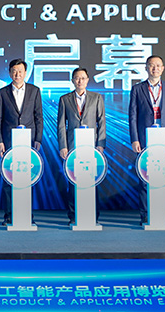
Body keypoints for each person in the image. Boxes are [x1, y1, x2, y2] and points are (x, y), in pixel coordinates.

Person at [128, 55, 165, 225]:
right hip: (144, 139)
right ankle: (145, 214)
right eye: (151, 65)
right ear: (146, 68)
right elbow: (133, 116)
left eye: (158, 65)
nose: (155, 68)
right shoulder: (138, 89)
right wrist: (135, 139)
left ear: (163, 68)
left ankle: (161, 212)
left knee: (163, 176)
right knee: (145, 177)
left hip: (164, 139)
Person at [0, 58, 43, 226]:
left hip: (28, 141)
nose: (17, 74)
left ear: (25, 73)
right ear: (9, 73)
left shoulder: (34, 91)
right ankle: (9, 215)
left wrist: (38, 139)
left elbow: (38, 117)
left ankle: (27, 214)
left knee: (27, 178)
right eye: (14, 71)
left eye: (20, 71)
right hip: (9, 142)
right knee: (9, 179)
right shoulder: (2, 93)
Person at [57, 67, 106, 225]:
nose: (80, 81)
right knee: (73, 181)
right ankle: (73, 216)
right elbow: (61, 125)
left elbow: (101, 121)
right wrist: (63, 146)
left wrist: (100, 144)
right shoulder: (65, 99)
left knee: (92, 180)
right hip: (72, 146)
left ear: (88, 80)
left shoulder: (96, 97)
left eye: (83, 78)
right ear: (72, 80)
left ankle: (93, 215)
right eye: (77, 78)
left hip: (91, 146)